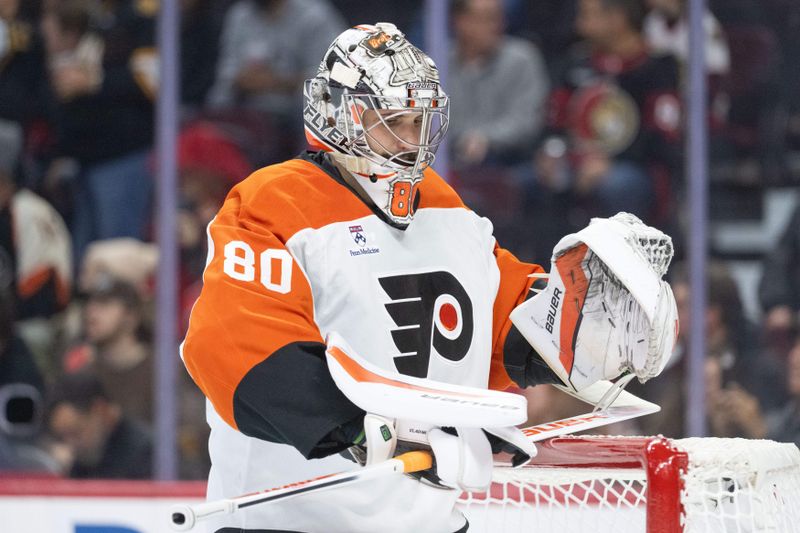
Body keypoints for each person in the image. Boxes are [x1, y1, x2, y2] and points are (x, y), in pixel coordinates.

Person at [182, 23, 678, 533]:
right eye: (391, 119)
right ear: (334, 114)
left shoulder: (442, 204)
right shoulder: (276, 202)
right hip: (291, 522)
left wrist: (576, 328)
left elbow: (496, 323)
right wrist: (359, 430)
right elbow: (232, 345)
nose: (410, 138)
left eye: (418, 120)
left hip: (429, 522)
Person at [447, 0, 550, 169]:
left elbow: (527, 121)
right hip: (452, 160)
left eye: (498, 18)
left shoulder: (522, 58)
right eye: (486, 18)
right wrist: (463, 140)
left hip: (512, 162)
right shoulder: (437, 63)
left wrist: (485, 139)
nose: (496, 26)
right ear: (460, 22)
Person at [47, 371, 153, 479]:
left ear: (100, 409)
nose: (70, 445)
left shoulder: (148, 456)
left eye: (76, 433)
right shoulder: (83, 460)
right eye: (62, 438)